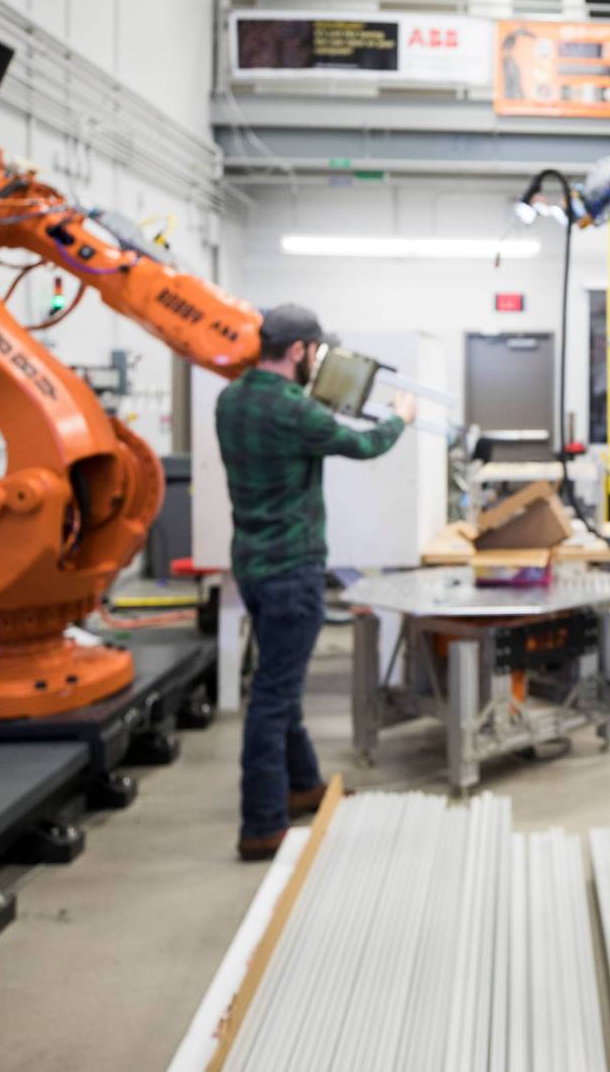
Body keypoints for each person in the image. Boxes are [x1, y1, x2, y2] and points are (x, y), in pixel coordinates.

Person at [217, 304, 416, 860]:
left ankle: (301, 784)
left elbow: (292, 422)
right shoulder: (295, 412)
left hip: (253, 566)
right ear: (301, 350)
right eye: (316, 353)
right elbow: (367, 445)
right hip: (292, 571)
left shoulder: (231, 400)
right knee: (272, 698)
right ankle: (261, 823)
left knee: (281, 684)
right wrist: (401, 415)